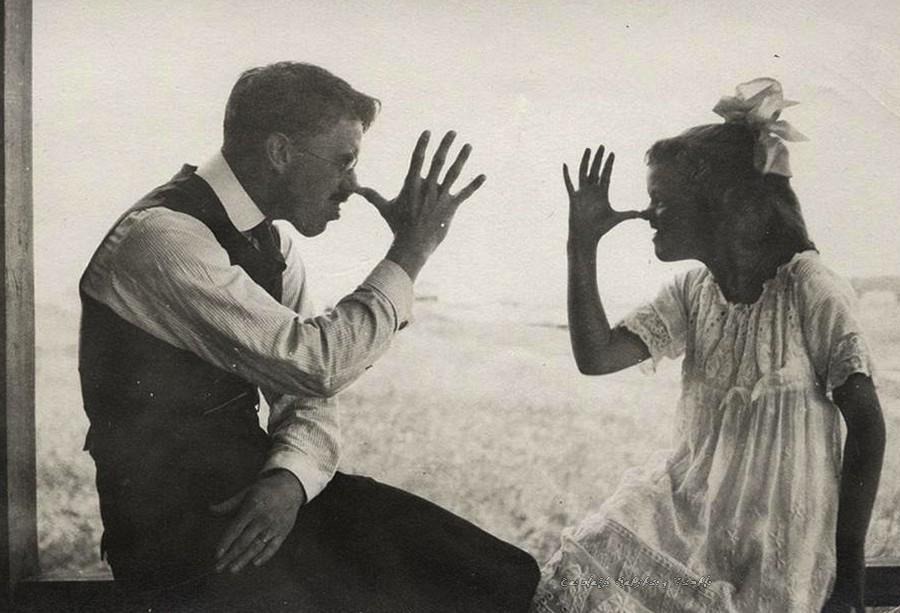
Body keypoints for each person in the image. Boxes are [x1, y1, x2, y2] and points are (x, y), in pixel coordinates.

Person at [79, 61, 539, 612]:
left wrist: (291, 480)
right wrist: (411, 250)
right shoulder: (163, 239)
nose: (354, 185)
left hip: (264, 504)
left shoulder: (273, 247)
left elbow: (309, 393)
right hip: (179, 537)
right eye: (344, 162)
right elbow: (314, 362)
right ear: (280, 152)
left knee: (502, 575)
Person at [531, 79, 885, 612]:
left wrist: (849, 576)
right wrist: (581, 246)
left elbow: (868, 425)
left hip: (776, 542)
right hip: (692, 516)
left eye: (662, 201)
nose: (647, 215)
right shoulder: (692, 293)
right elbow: (596, 357)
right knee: (588, 570)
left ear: (722, 206)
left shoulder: (808, 286)